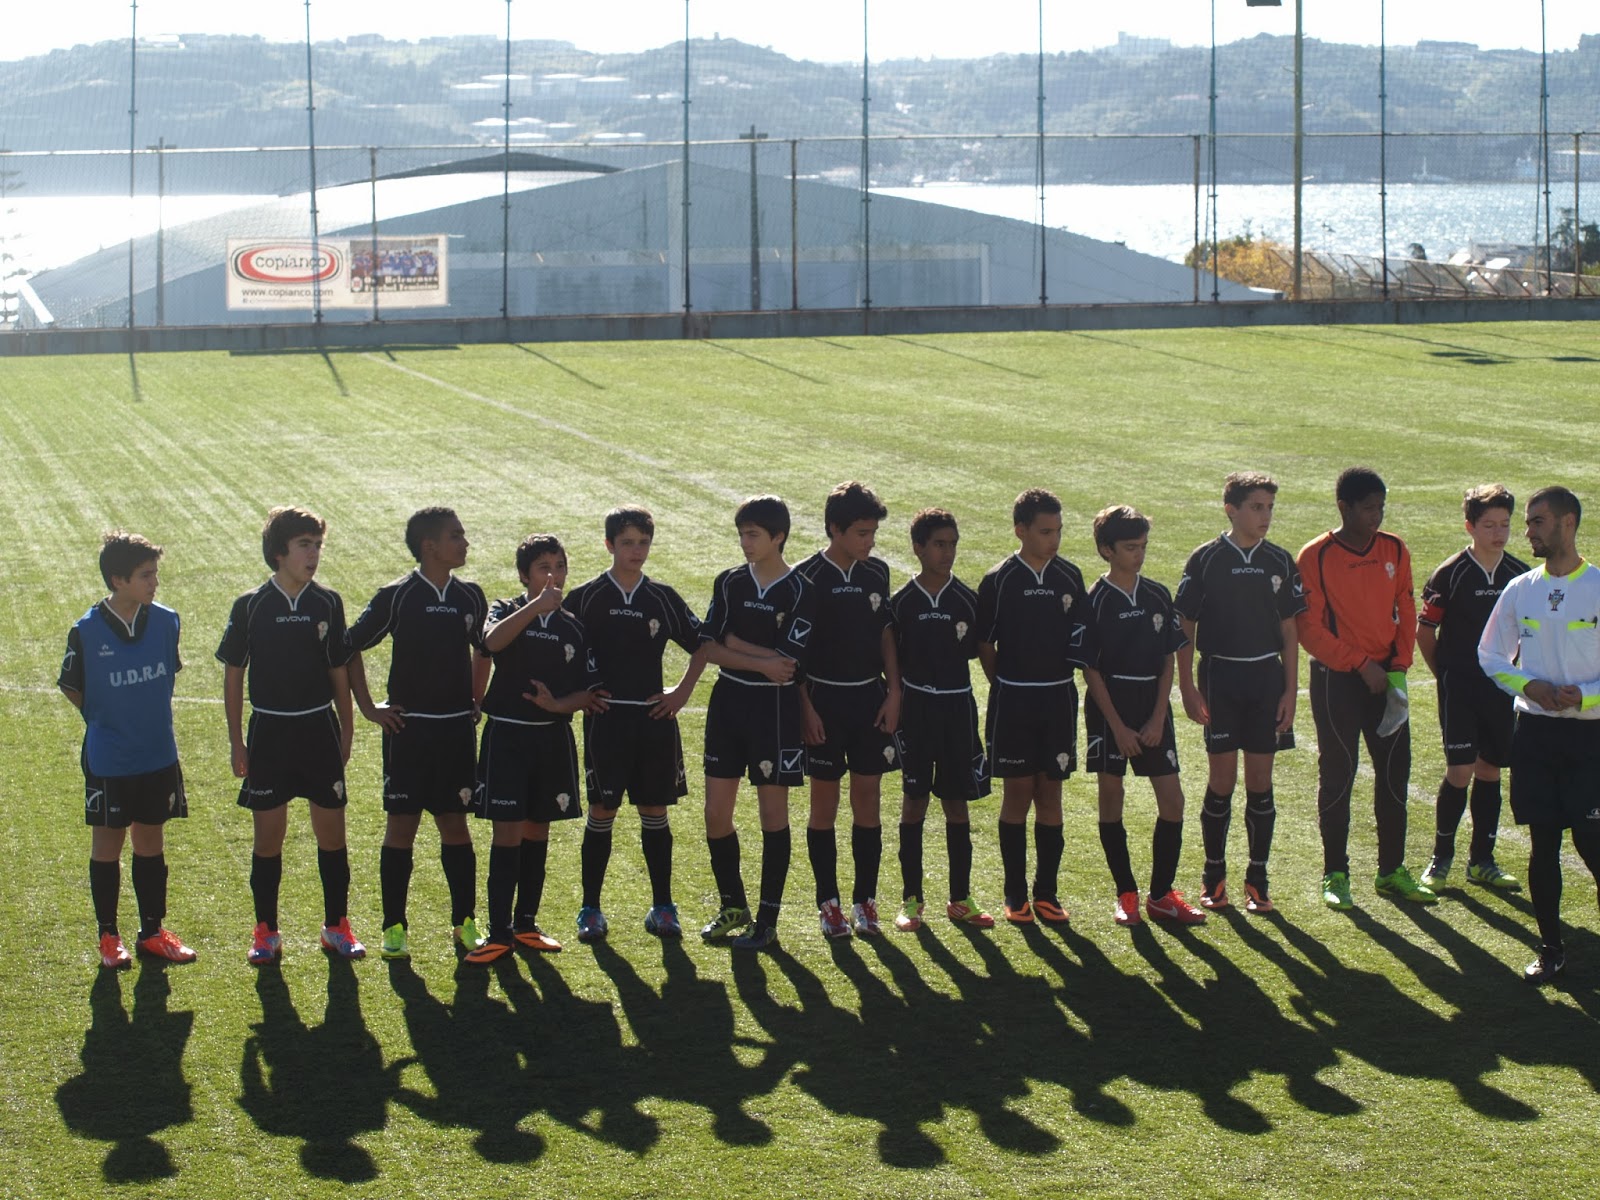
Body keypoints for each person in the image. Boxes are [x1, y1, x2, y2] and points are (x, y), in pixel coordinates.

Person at [217, 506, 363, 965]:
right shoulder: (250, 606)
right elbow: (234, 675)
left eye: (318, 545)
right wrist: (237, 740)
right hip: (270, 733)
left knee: (332, 835)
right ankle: (266, 931)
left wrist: (347, 726)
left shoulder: (328, 602)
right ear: (280, 552)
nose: (314, 554)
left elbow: (338, 668)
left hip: (319, 728)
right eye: (304, 545)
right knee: (268, 839)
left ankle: (336, 926)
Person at [346, 507, 489, 959]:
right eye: (456, 536)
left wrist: (476, 698)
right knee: (401, 827)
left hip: (455, 734)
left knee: (455, 825)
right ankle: (394, 928)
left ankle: (465, 923)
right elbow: (348, 646)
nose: (465, 543)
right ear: (430, 546)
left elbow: (485, 648)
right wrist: (369, 708)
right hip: (408, 734)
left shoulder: (471, 596)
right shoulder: (397, 596)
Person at [563, 507, 708, 941]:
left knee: (654, 810)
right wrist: (578, 694)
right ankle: (590, 909)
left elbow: (703, 645)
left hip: (653, 721)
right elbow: (560, 648)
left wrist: (681, 693)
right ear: (609, 544)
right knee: (602, 811)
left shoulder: (661, 597)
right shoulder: (586, 597)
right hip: (605, 722)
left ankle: (663, 907)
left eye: (643, 542)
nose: (636, 550)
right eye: (627, 542)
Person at [1297, 466, 1435, 909]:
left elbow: (1406, 607)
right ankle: (1335, 873)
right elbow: (1309, 630)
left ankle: (1391, 871)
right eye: (1369, 508)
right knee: (1338, 775)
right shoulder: (1316, 555)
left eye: (1381, 507)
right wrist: (1359, 664)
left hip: (1387, 676)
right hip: (1336, 681)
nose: (1377, 515)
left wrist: (1398, 666)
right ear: (1345, 507)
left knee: (1395, 774)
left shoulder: (1394, 548)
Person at [1478, 486, 1600, 983]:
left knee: (1594, 845)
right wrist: (1527, 684)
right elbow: (1489, 654)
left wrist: (1585, 696)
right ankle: (1551, 950)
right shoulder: (1520, 588)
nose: (1527, 531)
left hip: (1590, 739)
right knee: (1542, 846)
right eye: (1527, 522)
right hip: (1535, 736)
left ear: (1568, 523)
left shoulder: (1598, 587)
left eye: (1537, 521)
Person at [58, 532, 196, 969]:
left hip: (157, 753)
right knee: (108, 844)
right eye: (145, 575)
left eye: (155, 573)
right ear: (118, 580)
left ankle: (152, 932)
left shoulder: (167, 621)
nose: (154, 582)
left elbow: (168, 674)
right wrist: (105, 718)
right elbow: (71, 686)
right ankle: (108, 937)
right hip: (110, 758)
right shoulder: (85, 631)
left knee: (151, 840)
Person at [464, 535, 600, 965]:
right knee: (506, 832)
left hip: (551, 739)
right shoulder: (505, 609)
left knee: (538, 830)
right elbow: (490, 643)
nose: (554, 576)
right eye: (544, 568)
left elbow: (589, 691)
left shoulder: (574, 628)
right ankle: (498, 931)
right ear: (524, 575)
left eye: (560, 567)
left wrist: (557, 705)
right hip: (507, 737)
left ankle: (526, 924)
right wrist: (535, 607)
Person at [1174, 471, 1305, 914]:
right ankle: (1213, 877)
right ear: (1231, 510)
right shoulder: (1206, 559)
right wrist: (1187, 686)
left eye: (1270, 507)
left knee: (1261, 782)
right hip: (1221, 678)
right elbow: (1185, 625)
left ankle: (1258, 879)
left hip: (1266, 680)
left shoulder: (1279, 560)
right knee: (1222, 781)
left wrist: (1291, 691)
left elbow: (1290, 629)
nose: (1265, 515)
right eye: (1257, 507)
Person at [697, 495, 815, 952]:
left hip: (775, 712)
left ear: (778, 537)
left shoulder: (801, 590)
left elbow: (790, 664)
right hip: (728, 704)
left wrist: (739, 646)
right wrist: (762, 660)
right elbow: (710, 647)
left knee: (772, 816)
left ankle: (766, 921)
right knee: (715, 814)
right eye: (742, 534)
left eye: (753, 535)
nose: (745, 543)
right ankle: (733, 906)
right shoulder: (729, 582)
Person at [1082, 506, 1205, 926]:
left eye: (1143, 547)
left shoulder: (1156, 594)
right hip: (1109, 709)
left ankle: (1161, 894)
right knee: (1111, 796)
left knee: (1173, 800)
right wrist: (1117, 727)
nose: (1139, 554)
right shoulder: (1094, 600)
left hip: (1152, 705)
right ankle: (1126, 894)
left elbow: (1168, 658)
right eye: (1131, 547)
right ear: (1107, 550)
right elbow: (1090, 670)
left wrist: (1156, 718)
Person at [975, 488, 1094, 925]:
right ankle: (1014, 893)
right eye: (1045, 532)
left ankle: (1046, 892)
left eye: (1058, 531)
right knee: (1018, 794)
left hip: (1058, 698)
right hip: (1015, 701)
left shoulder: (1070, 576)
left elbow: (1082, 635)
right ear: (1021, 530)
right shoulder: (1000, 579)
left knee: (1051, 793)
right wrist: (1005, 685)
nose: (1054, 540)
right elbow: (984, 643)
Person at [795, 481, 902, 938]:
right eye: (861, 533)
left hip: (868, 701)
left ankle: (865, 902)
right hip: (823, 702)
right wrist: (805, 707)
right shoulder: (805, 577)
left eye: (873, 532)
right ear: (835, 529)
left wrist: (894, 692)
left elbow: (885, 634)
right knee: (824, 804)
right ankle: (829, 904)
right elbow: (794, 652)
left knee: (868, 801)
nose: (870, 541)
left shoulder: (877, 573)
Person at [1416, 484, 1529, 892]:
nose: (1499, 533)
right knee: (1460, 770)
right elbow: (1424, 632)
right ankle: (1440, 859)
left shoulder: (1520, 575)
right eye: (1489, 525)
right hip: (1460, 687)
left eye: (1505, 525)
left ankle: (1482, 861)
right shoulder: (1450, 574)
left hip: (1500, 689)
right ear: (1470, 526)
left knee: (1490, 769)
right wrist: (1445, 675)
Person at [886, 508, 994, 932]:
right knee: (914, 801)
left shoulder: (967, 599)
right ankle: (911, 900)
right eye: (938, 544)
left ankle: (960, 898)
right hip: (915, 711)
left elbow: (979, 652)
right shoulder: (902, 602)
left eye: (952, 544)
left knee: (956, 801)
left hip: (957, 709)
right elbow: (891, 658)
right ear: (918, 548)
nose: (947, 552)